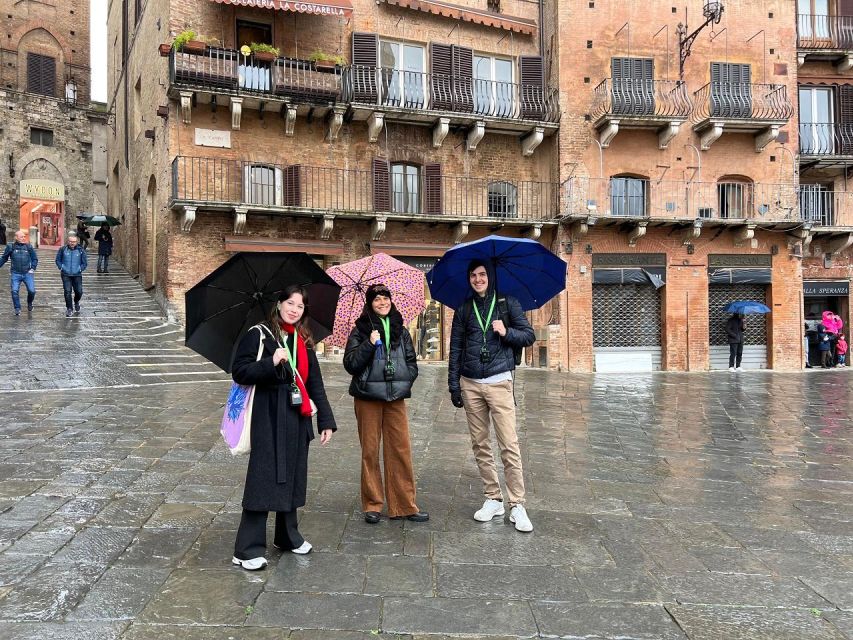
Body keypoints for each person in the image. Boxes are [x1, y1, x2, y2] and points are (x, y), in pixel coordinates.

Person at [230, 285, 336, 571]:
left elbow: (314, 383)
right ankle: (246, 548)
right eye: (290, 303)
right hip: (268, 417)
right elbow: (239, 371)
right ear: (278, 304)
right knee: (264, 477)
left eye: (300, 306)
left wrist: (326, 419)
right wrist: (270, 362)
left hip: (297, 418)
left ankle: (287, 536)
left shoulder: (303, 340)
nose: (294, 309)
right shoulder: (259, 334)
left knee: (292, 475)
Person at [448, 259, 536, 533]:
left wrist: (506, 331)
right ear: (469, 279)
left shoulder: (508, 303)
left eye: (482, 274)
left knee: (509, 443)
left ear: (490, 276)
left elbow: (529, 336)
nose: (478, 279)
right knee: (480, 444)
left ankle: (517, 504)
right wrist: (454, 385)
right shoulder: (463, 309)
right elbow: (455, 349)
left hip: (499, 381)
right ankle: (493, 499)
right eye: (473, 275)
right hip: (471, 382)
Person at [343, 283, 428, 525]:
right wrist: (369, 343)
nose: (382, 302)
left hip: (395, 398)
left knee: (401, 450)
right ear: (369, 303)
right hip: (368, 397)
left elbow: (411, 360)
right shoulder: (360, 329)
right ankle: (372, 504)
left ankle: (404, 504)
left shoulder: (400, 328)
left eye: (385, 298)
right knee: (370, 452)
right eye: (377, 299)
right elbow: (351, 365)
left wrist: (406, 377)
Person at [0, 229, 38, 316]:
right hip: (15, 273)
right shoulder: (11, 247)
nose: (24, 238)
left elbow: (34, 258)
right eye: (22, 237)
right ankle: (17, 308)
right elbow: (4, 258)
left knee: (32, 291)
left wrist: (33, 268)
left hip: (27, 273)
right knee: (14, 291)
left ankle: (29, 303)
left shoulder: (29, 247)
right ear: (16, 238)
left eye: (24, 236)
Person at [55, 232, 88, 317]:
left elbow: (84, 263)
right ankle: (69, 308)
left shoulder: (80, 250)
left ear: (76, 242)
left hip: (77, 275)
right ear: (68, 241)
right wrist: (61, 267)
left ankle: (76, 301)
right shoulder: (63, 249)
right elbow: (58, 260)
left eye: (74, 242)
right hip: (66, 274)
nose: (72, 243)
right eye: (70, 241)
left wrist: (80, 269)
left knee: (79, 291)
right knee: (67, 291)